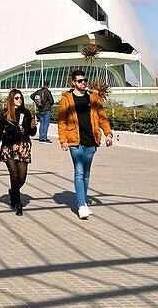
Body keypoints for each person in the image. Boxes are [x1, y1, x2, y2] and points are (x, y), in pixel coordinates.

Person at [56, 69, 113, 220]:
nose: (83, 83)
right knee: (79, 171)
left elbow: (102, 118)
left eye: (84, 80)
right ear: (73, 82)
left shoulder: (93, 98)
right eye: (80, 81)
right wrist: (63, 140)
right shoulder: (66, 99)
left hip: (91, 140)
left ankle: (84, 202)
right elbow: (61, 121)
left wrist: (108, 133)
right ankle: (81, 205)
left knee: (86, 174)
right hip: (74, 140)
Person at [0, 89, 36, 216]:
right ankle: (18, 203)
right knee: (14, 175)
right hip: (8, 147)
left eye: (20, 98)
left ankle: (13, 191)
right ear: (11, 99)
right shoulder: (5, 114)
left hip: (22, 147)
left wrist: (32, 127)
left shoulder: (26, 112)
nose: (19, 100)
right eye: (16, 98)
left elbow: (31, 133)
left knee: (22, 177)